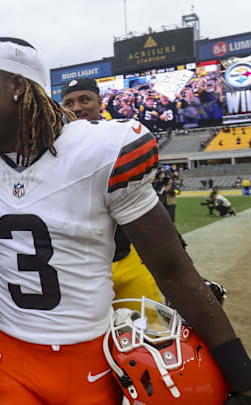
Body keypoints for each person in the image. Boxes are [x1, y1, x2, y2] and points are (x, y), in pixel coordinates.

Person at [0, 37, 251, 405]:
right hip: (11, 359)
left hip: (91, 360)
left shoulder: (99, 151)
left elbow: (172, 270)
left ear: (18, 86)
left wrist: (246, 379)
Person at [61, 79, 163, 307]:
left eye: (84, 99)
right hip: (79, 271)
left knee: (147, 334)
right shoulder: (52, 150)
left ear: (100, 103)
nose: (76, 108)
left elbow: (147, 207)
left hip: (126, 259)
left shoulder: (122, 141)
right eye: (69, 102)